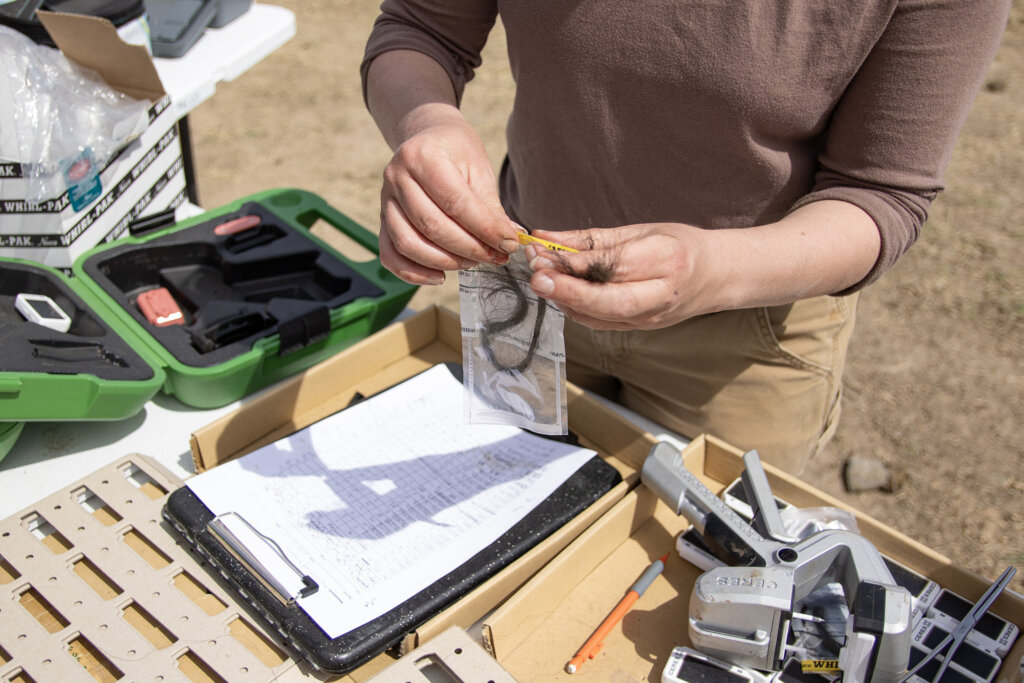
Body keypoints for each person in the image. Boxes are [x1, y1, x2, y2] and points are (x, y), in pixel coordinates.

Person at [360, 1, 1009, 473]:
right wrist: (428, 125)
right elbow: (420, 28)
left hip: (743, 341)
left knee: (696, 580)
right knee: (491, 501)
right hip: (526, 277)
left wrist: (712, 269)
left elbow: (881, 195)